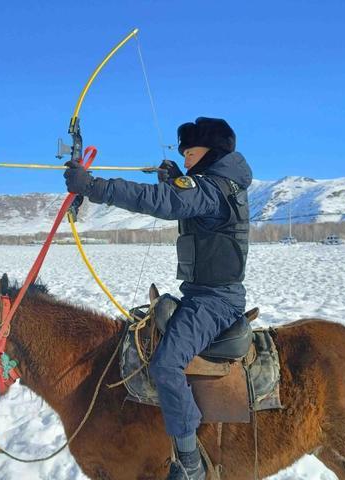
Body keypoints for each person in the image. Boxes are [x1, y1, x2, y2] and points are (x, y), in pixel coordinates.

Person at [64, 117, 251, 480]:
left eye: (191, 155)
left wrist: (94, 186)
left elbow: (164, 202)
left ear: (211, 153)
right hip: (199, 294)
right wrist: (176, 179)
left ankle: (189, 461)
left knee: (166, 365)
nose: (186, 162)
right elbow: (185, 200)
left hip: (215, 301)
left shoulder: (213, 187)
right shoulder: (215, 184)